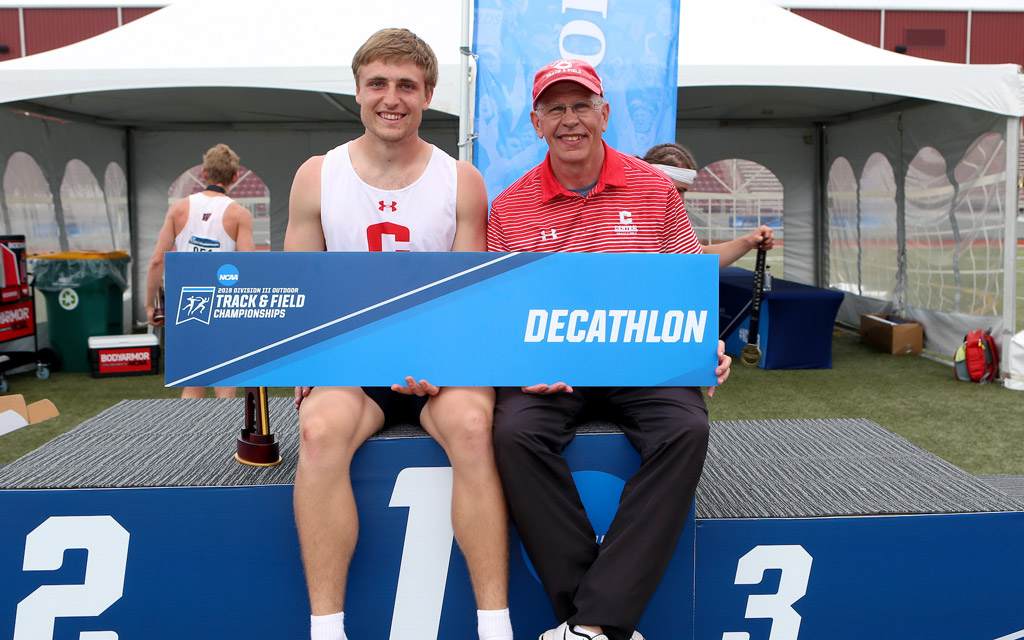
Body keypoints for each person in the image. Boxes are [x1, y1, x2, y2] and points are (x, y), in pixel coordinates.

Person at [487, 59, 732, 640]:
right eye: (555, 108)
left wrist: (705, 342)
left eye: (580, 106)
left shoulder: (654, 189)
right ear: (535, 121)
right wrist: (525, 364)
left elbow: (684, 282)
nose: (569, 120)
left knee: (686, 431)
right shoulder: (511, 205)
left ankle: (589, 622)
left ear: (604, 113)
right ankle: (598, 619)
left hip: (643, 362)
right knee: (514, 434)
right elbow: (503, 313)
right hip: (555, 366)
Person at [283, 28, 512, 640]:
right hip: (356, 365)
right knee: (319, 428)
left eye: (407, 85)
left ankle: (496, 624)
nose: (392, 97)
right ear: (357, 92)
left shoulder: (461, 180)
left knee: (471, 425)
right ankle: (326, 627)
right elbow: (297, 291)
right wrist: (310, 360)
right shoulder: (317, 175)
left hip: (436, 365)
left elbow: (467, 298)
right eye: (378, 83)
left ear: (428, 94)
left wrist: (439, 358)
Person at [146, 142, 254, 399]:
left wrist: (150, 305)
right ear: (235, 177)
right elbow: (251, 266)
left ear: (204, 174)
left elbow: (156, 262)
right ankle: (224, 437)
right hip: (224, 302)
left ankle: (187, 438)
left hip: (188, 301)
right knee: (225, 382)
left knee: (193, 383)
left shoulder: (179, 208)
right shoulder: (239, 214)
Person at [642, 142, 775, 267]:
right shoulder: (625, 215)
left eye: (682, 191)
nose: (678, 198)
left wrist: (749, 241)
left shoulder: (672, 218)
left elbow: (699, 257)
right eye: (673, 190)